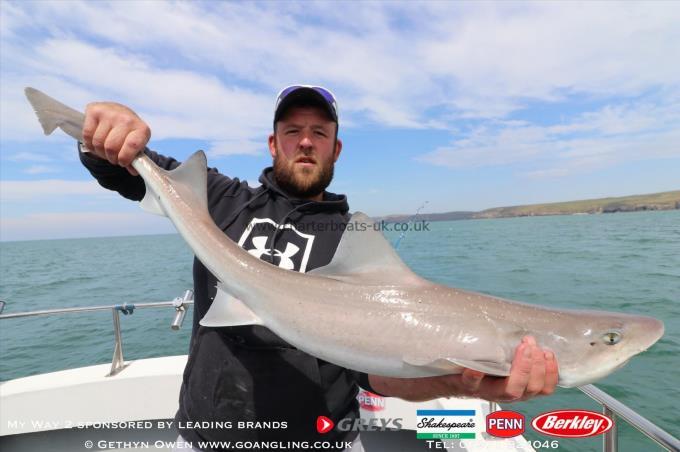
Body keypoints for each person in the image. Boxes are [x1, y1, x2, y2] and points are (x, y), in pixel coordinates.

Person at [79, 85, 559, 451]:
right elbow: (129, 166)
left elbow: (376, 376)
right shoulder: (220, 199)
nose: (305, 142)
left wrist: (457, 380)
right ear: (273, 143)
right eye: (292, 131)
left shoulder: (356, 241)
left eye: (319, 133)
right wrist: (105, 130)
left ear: (336, 148)